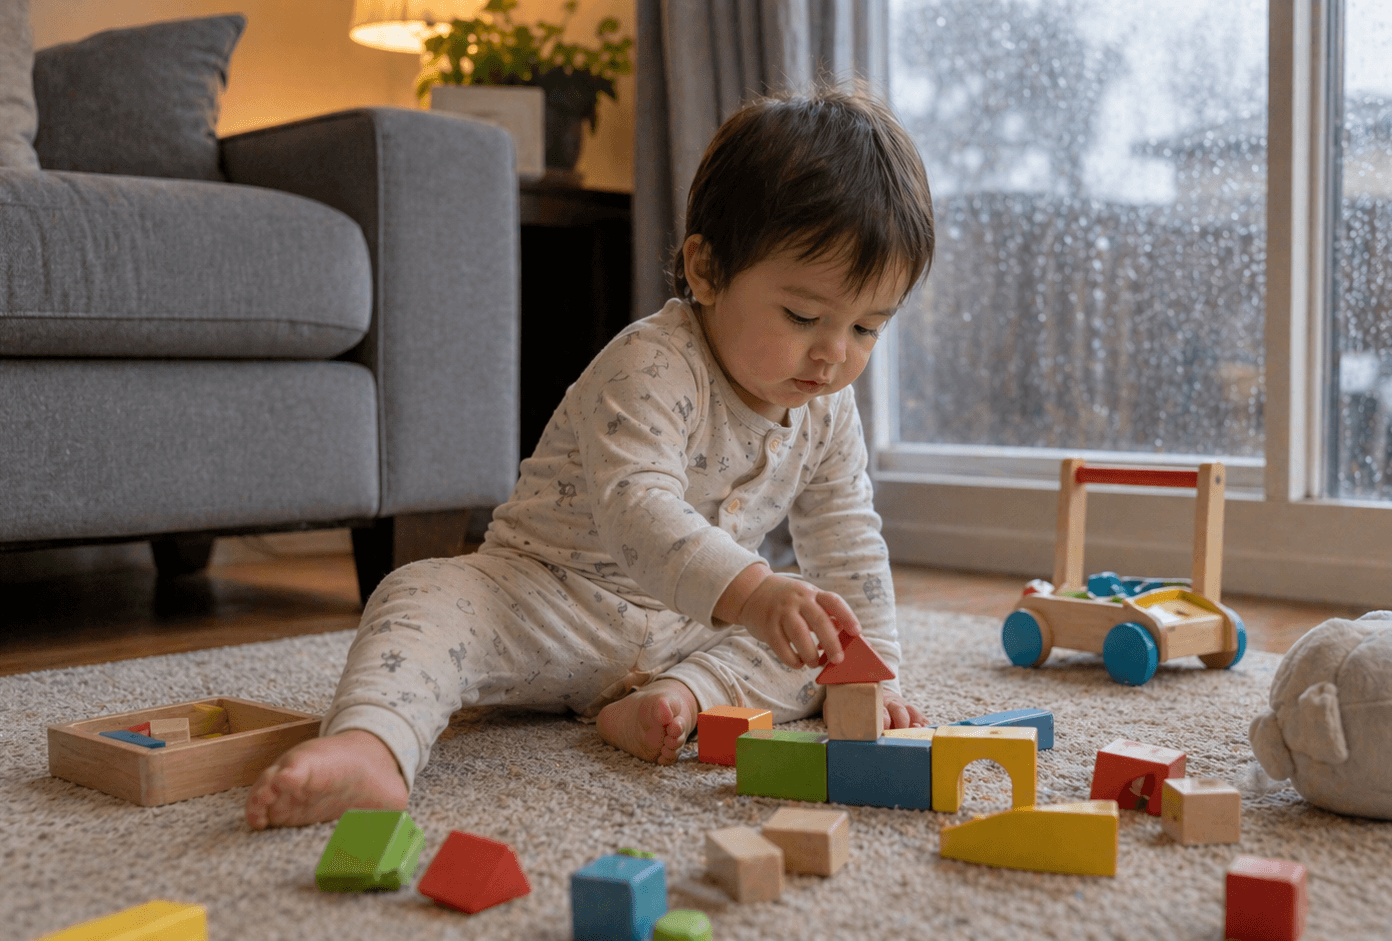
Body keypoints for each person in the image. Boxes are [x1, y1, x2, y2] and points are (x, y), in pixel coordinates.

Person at [244, 86, 936, 829]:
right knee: (420, 594)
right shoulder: (651, 363)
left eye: (866, 328)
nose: (833, 354)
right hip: (548, 600)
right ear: (705, 271)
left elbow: (847, 539)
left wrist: (874, 674)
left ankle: (676, 700)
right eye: (803, 316)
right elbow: (640, 511)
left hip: (685, 631)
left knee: (810, 642)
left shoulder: (827, 408)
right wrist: (754, 593)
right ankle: (373, 744)